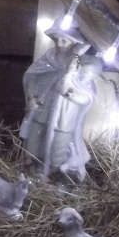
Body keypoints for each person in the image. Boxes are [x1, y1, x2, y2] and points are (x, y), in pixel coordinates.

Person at [19, 15, 89, 173]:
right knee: (33, 145)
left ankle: (55, 176)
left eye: (65, 40)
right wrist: (32, 97)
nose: (59, 44)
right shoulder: (49, 57)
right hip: (42, 110)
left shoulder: (78, 65)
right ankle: (33, 172)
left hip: (63, 118)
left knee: (57, 150)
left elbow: (87, 93)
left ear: (74, 41)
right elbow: (33, 77)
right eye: (56, 39)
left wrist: (68, 92)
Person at [45, 54, 102, 182]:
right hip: (58, 121)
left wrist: (69, 84)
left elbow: (79, 97)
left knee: (60, 151)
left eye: (93, 74)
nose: (90, 76)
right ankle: (53, 175)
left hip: (68, 125)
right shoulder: (72, 79)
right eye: (88, 72)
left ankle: (57, 177)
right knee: (54, 149)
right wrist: (70, 74)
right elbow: (61, 87)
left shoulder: (88, 89)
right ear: (81, 69)